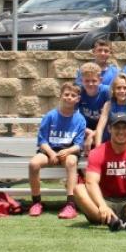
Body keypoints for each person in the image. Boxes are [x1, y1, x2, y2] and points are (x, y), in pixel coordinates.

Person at [28, 82, 87, 218]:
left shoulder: (80, 119)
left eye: (73, 95)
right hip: (49, 150)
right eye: (66, 94)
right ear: (60, 96)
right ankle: (36, 202)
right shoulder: (50, 116)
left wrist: (67, 151)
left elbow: (79, 145)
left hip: (68, 151)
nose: (69, 98)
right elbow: (42, 141)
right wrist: (51, 153)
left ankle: (70, 205)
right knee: (33, 164)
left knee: (72, 163)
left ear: (77, 99)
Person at [94, 73, 126, 147]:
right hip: (110, 141)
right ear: (114, 90)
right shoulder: (108, 105)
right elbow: (100, 128)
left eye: (125, 88)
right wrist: (98, 147)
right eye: (118, 88)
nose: (122, 91)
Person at [77, 61, 111, 153]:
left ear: (100, 80)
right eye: (87, 81)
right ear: (81, 80)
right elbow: (73, 118)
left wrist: (93, 134)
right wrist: (89, 133)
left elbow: (110, 118)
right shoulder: (79, 93)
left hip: (105, 129)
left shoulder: (107, 92)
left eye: (94, 81)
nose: (90, 84)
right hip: (86, 130)